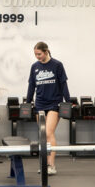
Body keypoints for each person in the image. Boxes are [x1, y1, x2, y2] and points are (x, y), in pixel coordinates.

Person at [26, 41, 70, 175]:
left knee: (48, 133)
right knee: (43, 136)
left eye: (39, 54)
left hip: (54, 104)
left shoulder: (57, 65)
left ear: (46, 52)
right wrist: (28, 103)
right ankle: (44, 164)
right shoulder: (34, 67)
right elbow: (31, 86)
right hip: (39, 103)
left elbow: (63, 85)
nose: (37, 56)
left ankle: (51, 165)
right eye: (35, 54)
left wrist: (68, 102)